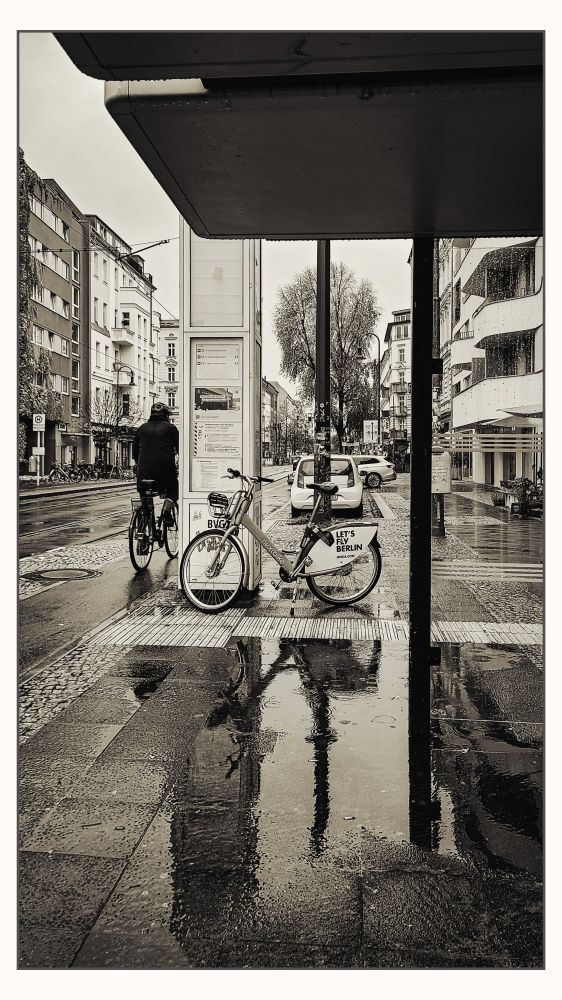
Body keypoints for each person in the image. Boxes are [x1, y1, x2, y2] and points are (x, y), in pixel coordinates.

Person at [132, 402, 179, 522]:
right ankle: (166, 510)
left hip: (143, 474)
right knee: (174, 490)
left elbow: (135, 452)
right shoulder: (171, 428)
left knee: (144, 494)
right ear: (166, 415)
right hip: (165, 472)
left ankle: (144, 522)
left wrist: (140, 465)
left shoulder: (141, 428)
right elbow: (181, 450)